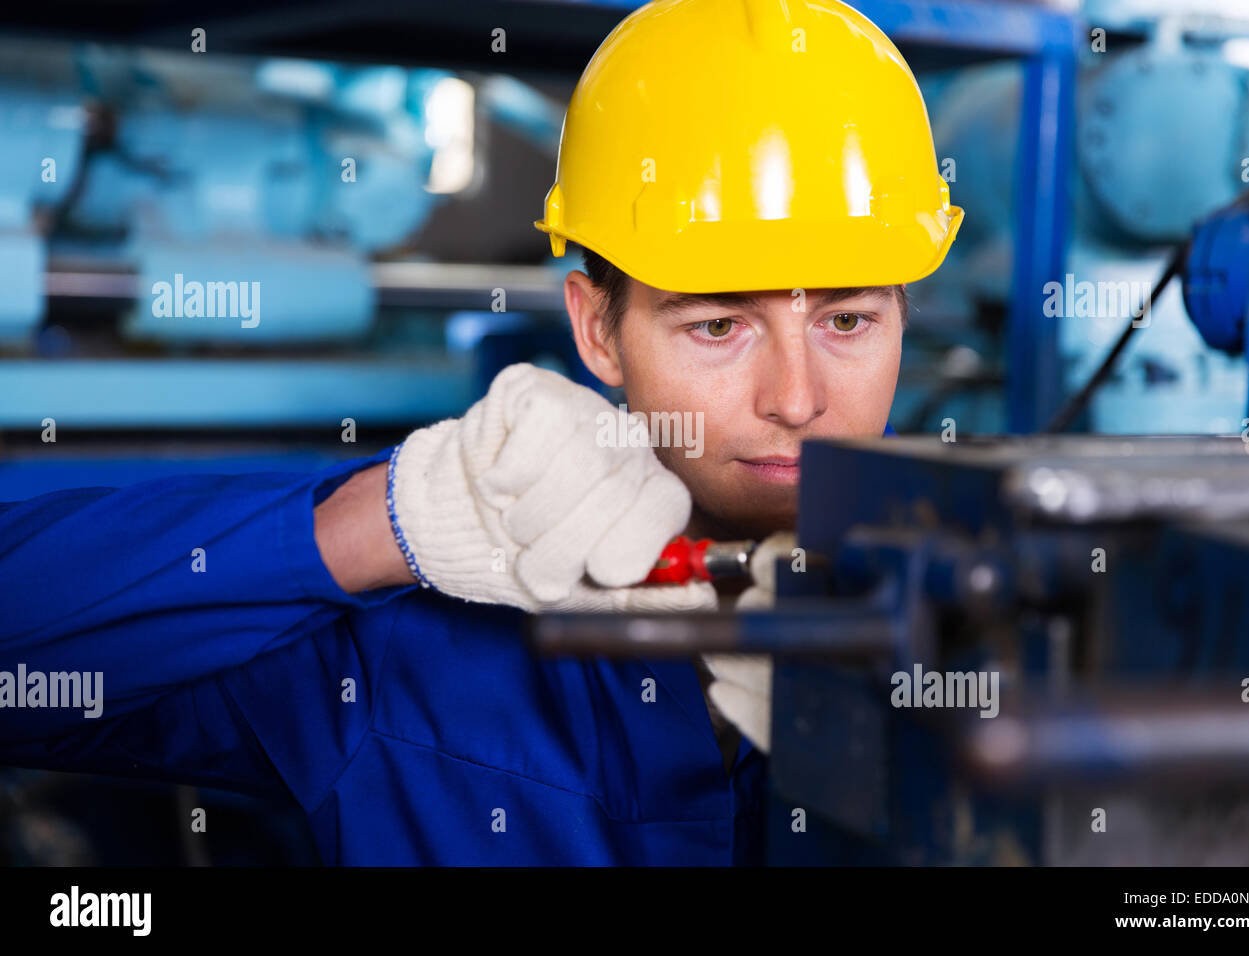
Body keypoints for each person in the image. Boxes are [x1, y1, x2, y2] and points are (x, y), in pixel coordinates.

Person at [0, 0, 960, 865]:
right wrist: (379, 523)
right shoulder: (402, 651)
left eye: (847, 320)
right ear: (596, 329)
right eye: (717, 324)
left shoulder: (990, 635)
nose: (796, 398)